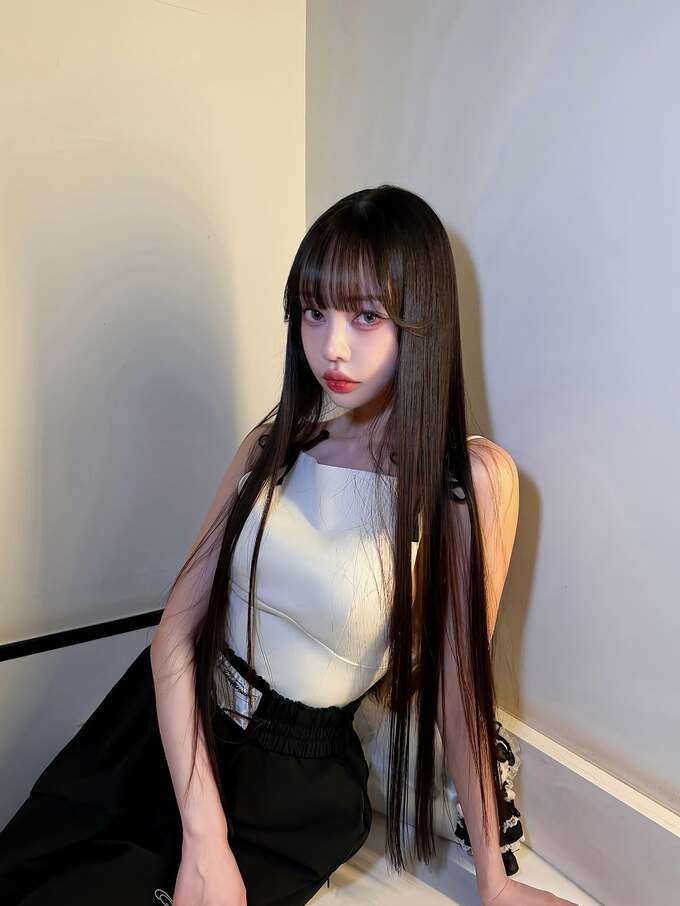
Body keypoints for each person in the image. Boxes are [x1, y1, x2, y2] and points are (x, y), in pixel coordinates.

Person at [0, 185, 578, 906]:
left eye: (366, 316)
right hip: (158, 732)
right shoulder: (273, 443)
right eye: (313, 312)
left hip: (289, 789)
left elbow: (460, 693)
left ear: (421, 321)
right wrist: (203, 835)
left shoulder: (466, 483)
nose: (331, 346)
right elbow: (174, 636)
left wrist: (495, 883)